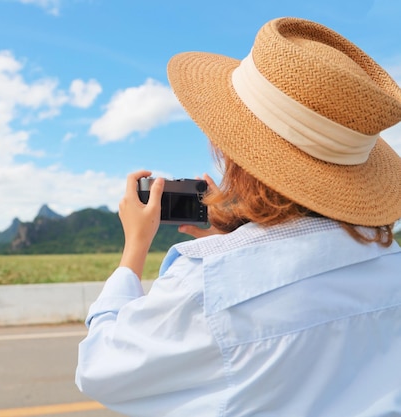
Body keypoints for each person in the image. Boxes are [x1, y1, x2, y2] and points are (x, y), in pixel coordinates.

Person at [75, 17, 401, 417]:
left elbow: (102, 368)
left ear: (236, 150)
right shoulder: (390, 265)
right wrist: (243, 233)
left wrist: (134, 248)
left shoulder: (208, 287)